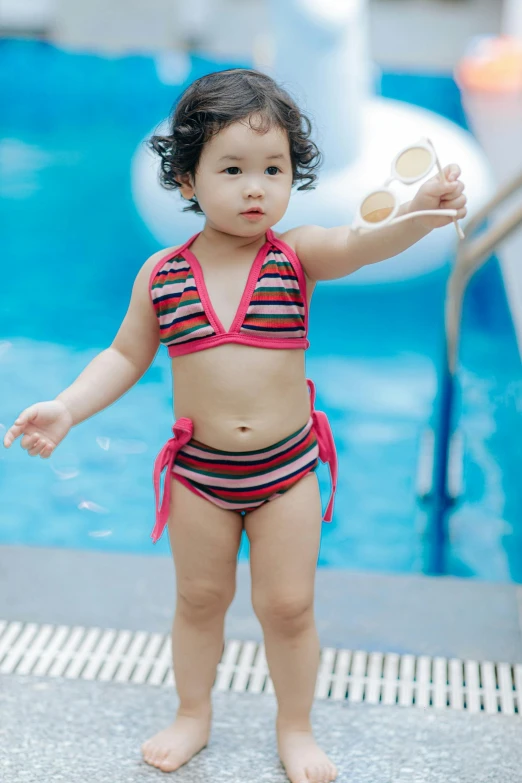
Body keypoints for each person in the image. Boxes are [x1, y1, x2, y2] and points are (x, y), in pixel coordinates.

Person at [3, 68, 467, 783]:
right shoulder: (164, 275)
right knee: (198, 600)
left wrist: (421, 211)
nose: (257, 187)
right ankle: (193, 713)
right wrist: (67, 405)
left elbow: (362, 242)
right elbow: (126, 354)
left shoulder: (297, 255)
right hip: (201, 476)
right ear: (187, 180)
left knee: (288, 606)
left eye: (273, 168)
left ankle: (296, 725)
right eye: (233, 168)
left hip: (286, 472)